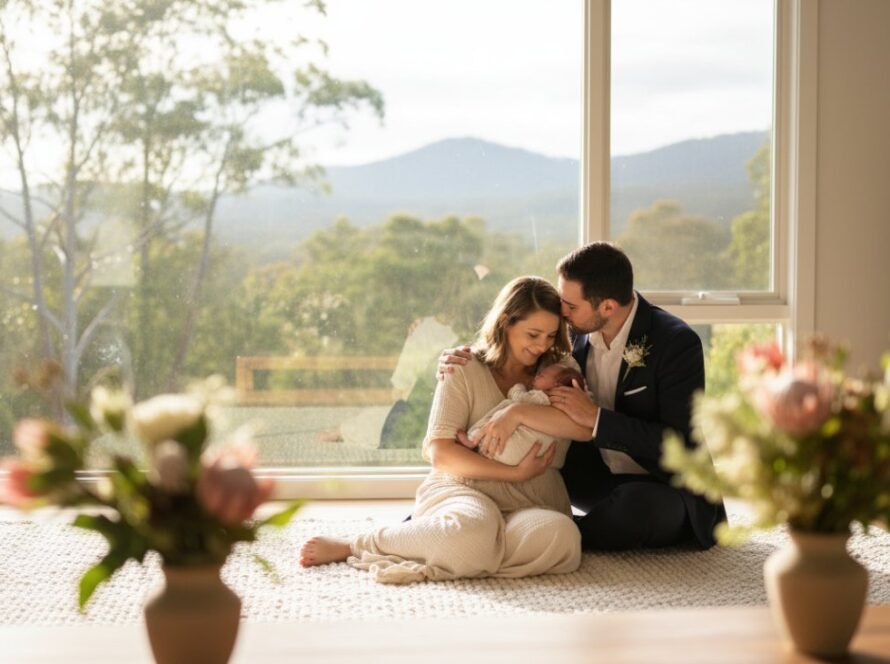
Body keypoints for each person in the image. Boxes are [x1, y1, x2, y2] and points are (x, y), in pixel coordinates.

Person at [299, 276, 589, 583]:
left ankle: (467, 555)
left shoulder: (561, 369)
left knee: (563, 537)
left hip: (532, 500)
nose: (542, 345)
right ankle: (358, 544)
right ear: (505, 322)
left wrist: (517, 413)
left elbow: (583, 427)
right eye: (533, 334)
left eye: (550, 335)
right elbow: (440, 452)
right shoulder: (462, 366)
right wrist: (514, 473)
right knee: (472, 531)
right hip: (465, 490)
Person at [439, 242, 726, 551]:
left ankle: (548, 536)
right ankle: (470, 523)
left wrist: (596, 418)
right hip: (592, 476)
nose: (562, 313)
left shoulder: (676, 342)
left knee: (637, 508)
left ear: (608, 307)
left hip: (662, 484)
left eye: (571, 306)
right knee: (538, 475)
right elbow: (519, 341)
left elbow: (678, 442)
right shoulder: (573, 330)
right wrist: (466, 355)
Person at [456, 363, 587, 469]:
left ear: (556, 385)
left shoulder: (541, 397)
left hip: (510, 451)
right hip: (529, 457)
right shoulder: (568, 408)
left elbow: (519, 398)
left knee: (506, 406)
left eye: (541, 375)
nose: (536, 376)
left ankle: (473, 439)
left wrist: (518, 387)